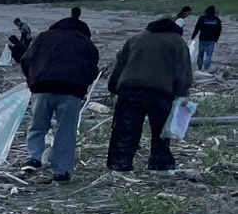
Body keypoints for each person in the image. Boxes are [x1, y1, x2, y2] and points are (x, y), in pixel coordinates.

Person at [106, 16, 194, 174]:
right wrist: (182, 94)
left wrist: (113, 87)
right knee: (161, 131)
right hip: (161, 91)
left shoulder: (136, 38)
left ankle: (119, 165)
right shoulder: (177, 42)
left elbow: (120, 64)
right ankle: (160, 165)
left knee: (125, 129)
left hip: (130, 89)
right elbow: (183, 70)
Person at [19, 11, 100, 182]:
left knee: (37, 124)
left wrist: (33, 81)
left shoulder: (44, 37)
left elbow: (26, 60)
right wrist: (82, 86)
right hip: (72, 90)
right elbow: (93, 68)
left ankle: (34, 157)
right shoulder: (86, 42)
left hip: (42, 86)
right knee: (66, 131)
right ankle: (61, 171)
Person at [190, 5, 222, 72]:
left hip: (202, 39)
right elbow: (219, 30)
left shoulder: (202, 18)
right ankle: (206, 68)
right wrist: (216, 38)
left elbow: (197, 28)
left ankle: (199, 68)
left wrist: (193, 36)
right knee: (209, 55)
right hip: (212, 40)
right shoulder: (217, 19)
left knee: (200, 54)